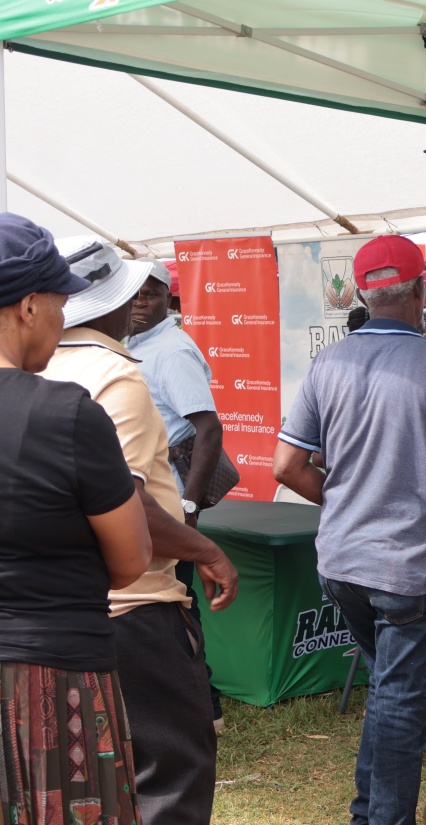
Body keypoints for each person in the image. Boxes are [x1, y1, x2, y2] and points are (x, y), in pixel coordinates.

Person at [272, 234, 426, 825]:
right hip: (406, 571)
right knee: (399, 704)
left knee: (389, 692)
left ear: (363, 295)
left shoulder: (329, 362)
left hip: (341, 566)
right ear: (421, 291)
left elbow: (286, 466)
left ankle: (366, 813)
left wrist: (346, 501)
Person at [42, 238, 240, 825]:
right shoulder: (114, 375)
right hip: (133, 608)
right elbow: (122, 501)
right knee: (169, 774)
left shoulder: (35, 369)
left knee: (85, 778)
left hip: (58, 604)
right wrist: (203, 546)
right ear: (110, 304)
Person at [0, 213, 152, 825]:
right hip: (51, 680)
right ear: (29, 306)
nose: (64, 321)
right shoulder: (66, 415)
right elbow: (131, 560)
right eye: (62, 305)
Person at [127, 259, 227, 731]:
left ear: (168, 299)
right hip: (144, 498)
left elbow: (208, 429)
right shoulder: (134, 345)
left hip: (168, 502)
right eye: (133, 295)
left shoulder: (171, 350)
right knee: (168, 603)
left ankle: (206, 708)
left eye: (149, 295)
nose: (139, 303)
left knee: (179, 604)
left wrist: (188, 507)